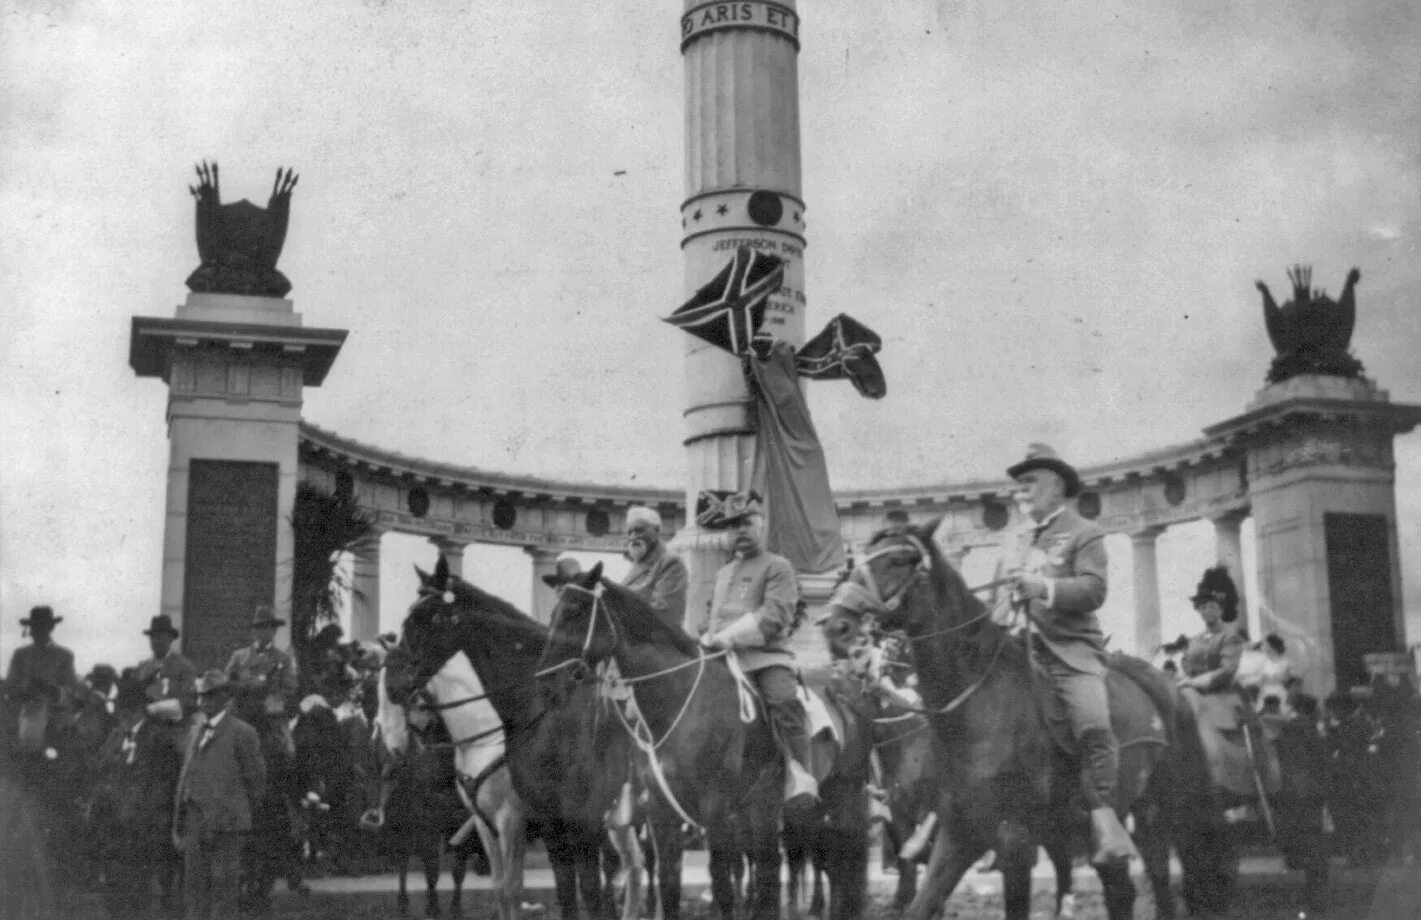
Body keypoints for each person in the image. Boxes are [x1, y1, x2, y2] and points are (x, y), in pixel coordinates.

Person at [990, 444, 1134, 866]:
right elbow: (999, 602)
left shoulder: (1085, 532)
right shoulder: (1013, 540)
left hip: (1071, 652)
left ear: (1055, 485)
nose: (1021, 490)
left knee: (1092, 723)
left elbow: (1094, 590)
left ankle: (1106, 824)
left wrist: (1042, 589)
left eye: (1029, 482)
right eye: (1019, 484)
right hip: (1019, 652)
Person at [696, 491, 818, 808]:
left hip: (765, 660)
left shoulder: (778, 567)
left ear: (761, 525)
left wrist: (727, 637)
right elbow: (712, 618)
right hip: (722, 661)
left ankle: (800, 775)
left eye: (746, 523)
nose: (740, 531)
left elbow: (774, 617)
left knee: (783, 700)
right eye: (733, 526)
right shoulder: (723, 574)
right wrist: (705, 636)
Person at [173, 670, 266, 920]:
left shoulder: (241, 732)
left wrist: (234, 812)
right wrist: (180, 819)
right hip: (195, 822)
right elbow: (186, 776)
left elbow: (256, 781)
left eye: (212, 695)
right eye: (202, 696)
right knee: (194, 891)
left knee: (223, 892)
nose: (205, 702)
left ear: (226, 697)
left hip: (226, 825)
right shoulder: (197, 731)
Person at [225, 606, 299, 758]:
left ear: (273, 631)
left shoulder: (283, 659)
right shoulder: (239, 657)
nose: (261, 632)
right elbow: (227, 684)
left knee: (284, 754)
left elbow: (290, 689)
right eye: (258, 628)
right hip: (241, 715)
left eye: (267, 627)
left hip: (269, 720)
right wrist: (248, 687)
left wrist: (273, 701)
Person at [5, 605, 80, 753]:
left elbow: (72, 688)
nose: (35, 632)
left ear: (50, 628)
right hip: (23, 716)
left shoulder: (64, 655)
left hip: (54, 720)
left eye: (40, 627)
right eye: (34, 628)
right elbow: (10, 684)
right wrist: (23, 691)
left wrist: (52, 690)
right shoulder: (21, 654)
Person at [134, 614, 199, 749]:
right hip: (145, 735)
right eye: (153, 637)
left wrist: (156, 708)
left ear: (170, 639)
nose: (156, 641)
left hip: (174, 736)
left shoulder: (184, 666)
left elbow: (189, 703)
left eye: (160, 637)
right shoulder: (142, 668)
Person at [621, 505, 689, 630]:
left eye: (639, 530)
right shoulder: (637, 565)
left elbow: (664, 613)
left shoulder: (671, 563)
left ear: (656, 531)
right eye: (630, 532)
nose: (633, 537)